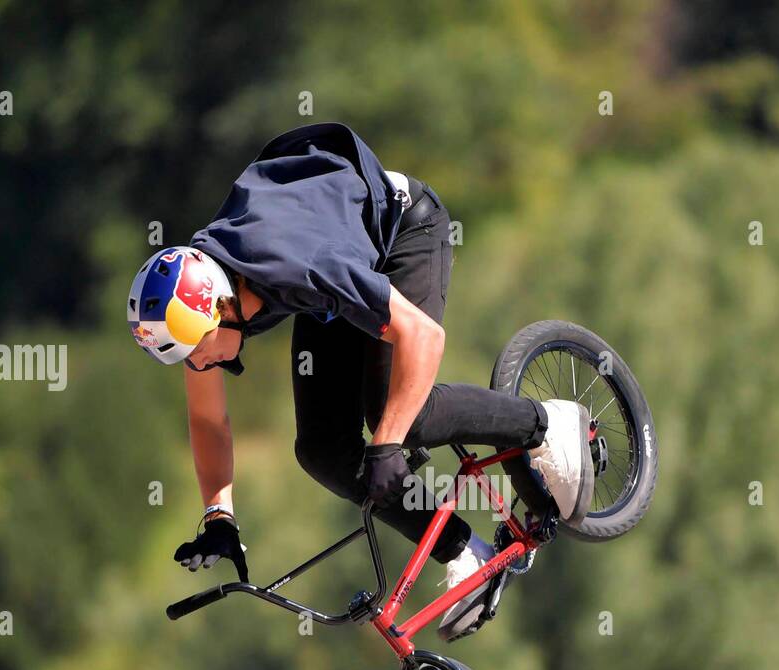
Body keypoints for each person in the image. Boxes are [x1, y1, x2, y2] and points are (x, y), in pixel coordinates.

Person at [127, 123, 593, 640]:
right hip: (336, 278)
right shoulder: (211, 295)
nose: (198, 363)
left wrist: (389, 445)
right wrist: (219, 516)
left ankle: (548, 423)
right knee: (323, 449)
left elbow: (423, 338)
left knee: (396, 415)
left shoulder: (298, 267)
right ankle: (464, 550)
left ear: (222, 306)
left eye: (198, 349)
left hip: (402, 232)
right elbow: (207, 417)